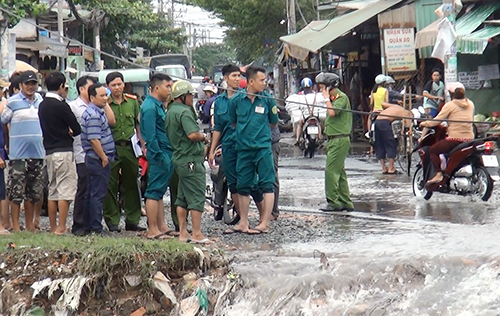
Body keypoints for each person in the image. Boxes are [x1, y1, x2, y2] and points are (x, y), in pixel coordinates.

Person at [209, 64, 264, 233]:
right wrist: (212, 150)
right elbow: (217, 128)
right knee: (233, 184)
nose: (237, 79)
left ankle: (263, 219)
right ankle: (243, 221)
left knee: (252, 183)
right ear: (225, 78)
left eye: (238, 76)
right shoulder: (219, 102)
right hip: (228, 147)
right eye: (233, 76)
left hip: (245, 146)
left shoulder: (245, 98)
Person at [229, 66, 279, 234]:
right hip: (243, 149)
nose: (265, 83)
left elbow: (273, 122)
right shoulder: (236, 100)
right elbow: (234, 122)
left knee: (267, 184)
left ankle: (264, 222)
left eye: (265, 80)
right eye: (262, 80)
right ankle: (244, 222)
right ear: (251, 81)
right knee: (242, 185)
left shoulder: (267, 99)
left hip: (263, 148)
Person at [165, 80, 212, 244]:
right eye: (190, 96)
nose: (192, 99)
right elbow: (192, 134)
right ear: (183, 96)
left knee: (182, 198)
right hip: (191, 160)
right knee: (197, 197)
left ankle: (183, 233)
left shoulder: (171, 111)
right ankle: (197, 233)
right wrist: (204, 137)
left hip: (180, 160)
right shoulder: (184, 112)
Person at [69, 76, 116, 235]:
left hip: (97, 159)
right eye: (102, 96)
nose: (106, 98)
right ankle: (96, 227)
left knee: (92, 192)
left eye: (106, 95)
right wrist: (103, 157)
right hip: (97, 159)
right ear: (92, 97)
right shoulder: (93, 114)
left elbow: (112, 121)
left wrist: (105, 103)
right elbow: (94, 140)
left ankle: (90, 226)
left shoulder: (98, 110)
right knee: (97, 194)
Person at [38, 72, 81, 235]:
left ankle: (53, 226)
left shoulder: (42, 105)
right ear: (61, 86)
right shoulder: (62, 105)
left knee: (53, 189)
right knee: (65, 189)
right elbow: (76, 128)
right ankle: (62, 226)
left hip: (49, 150)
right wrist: (69, 131)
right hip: (63, 149)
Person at [1, 71, 45, 232]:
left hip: (38, 152)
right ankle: (16, 225)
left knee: (33, 192)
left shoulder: (41, 101)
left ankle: (29, 225)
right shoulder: (12, 102)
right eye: (27, 84)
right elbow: (3, 122)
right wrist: (7, 141)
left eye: (33, 83)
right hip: (18, 153)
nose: (30, 87)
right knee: (16, 191)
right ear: (20, 86)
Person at [103, 72, 146, 232]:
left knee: (132, 184)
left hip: (129, 147)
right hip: (111, 147)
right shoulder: (105, 103)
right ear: (108, 87)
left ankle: (132, 220)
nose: (117, 88)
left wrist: (143, 145)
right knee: (110, 184)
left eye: (119, 84)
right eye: (113, 85)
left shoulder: (133, 102)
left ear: (124, 84)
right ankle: (112, 221)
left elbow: (138, 125)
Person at [140, 73, 176, 240]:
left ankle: (161, 225)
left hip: (165, 151)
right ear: (156, 88)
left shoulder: (158, 105)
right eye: (167, 86)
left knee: (160, 191)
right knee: (153, 191)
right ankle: (152, 229)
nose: (170, 90)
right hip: (159, 154)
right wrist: (160, 155)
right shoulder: (149, 107)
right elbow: (150, 136)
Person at [420, 83, 474, 184]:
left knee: (432, 150)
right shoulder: (471, 104)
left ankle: (438, 174)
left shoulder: (450, 105)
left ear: (450, 93)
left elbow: (437, 121)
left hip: (455, 139)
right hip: (470, 138)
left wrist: (424, 123)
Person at [316, 72, 354, 212]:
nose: (321, 91)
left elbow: (333, 113)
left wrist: (326, 99)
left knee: (331, 171)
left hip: (339, 139)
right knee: (340, 172)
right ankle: (345, 201)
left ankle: (333, 202)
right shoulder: (333, 98)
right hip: (334, 139)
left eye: (322, 88)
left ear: (329, 86)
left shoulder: (340, 97)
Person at [373, 105, 413, 174]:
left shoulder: (396, 107)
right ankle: (391, 168)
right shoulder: (407, 113)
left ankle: (384, 168)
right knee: (390, 144)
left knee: (380, 144)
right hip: (385, 122)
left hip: (377, 121)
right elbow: (409, 127)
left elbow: (383, 104)